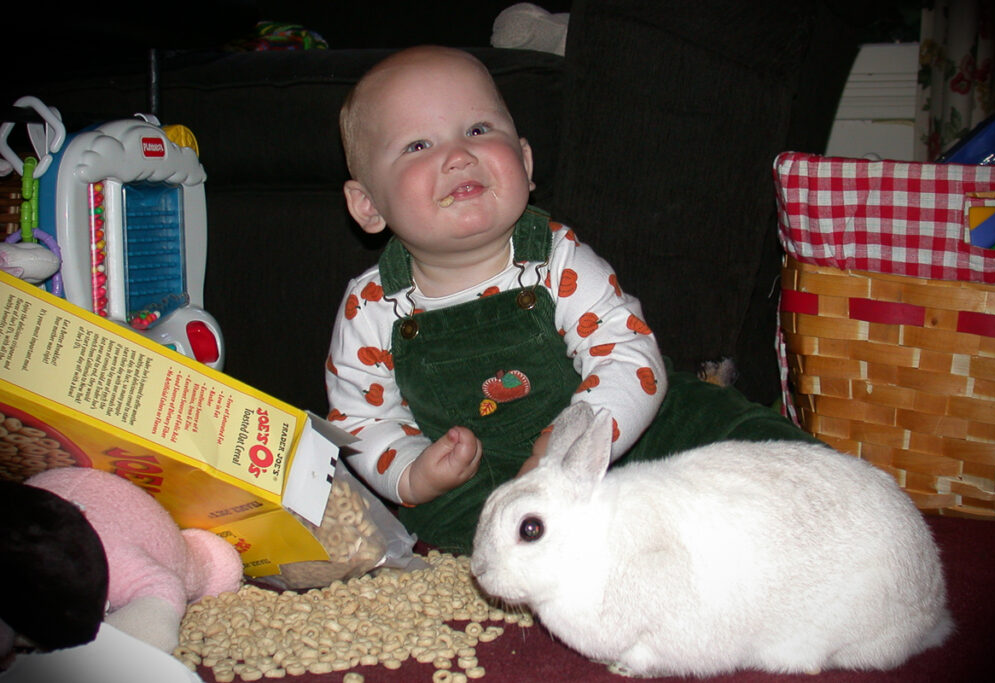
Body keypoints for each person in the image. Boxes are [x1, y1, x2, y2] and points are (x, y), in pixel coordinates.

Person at [327, 46, 814, 552]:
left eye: (477, 130)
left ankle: (817, 499)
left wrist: (571, 442)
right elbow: (361, 420)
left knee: (734, 434)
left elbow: (626, 354)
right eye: (418, 145)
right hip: (485, 479)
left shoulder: (556, 258)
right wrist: (413, 472)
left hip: (617, 428)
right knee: (477, 537)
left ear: (525, 160)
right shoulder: (372, 306)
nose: (457, 155)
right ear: (368, 205)